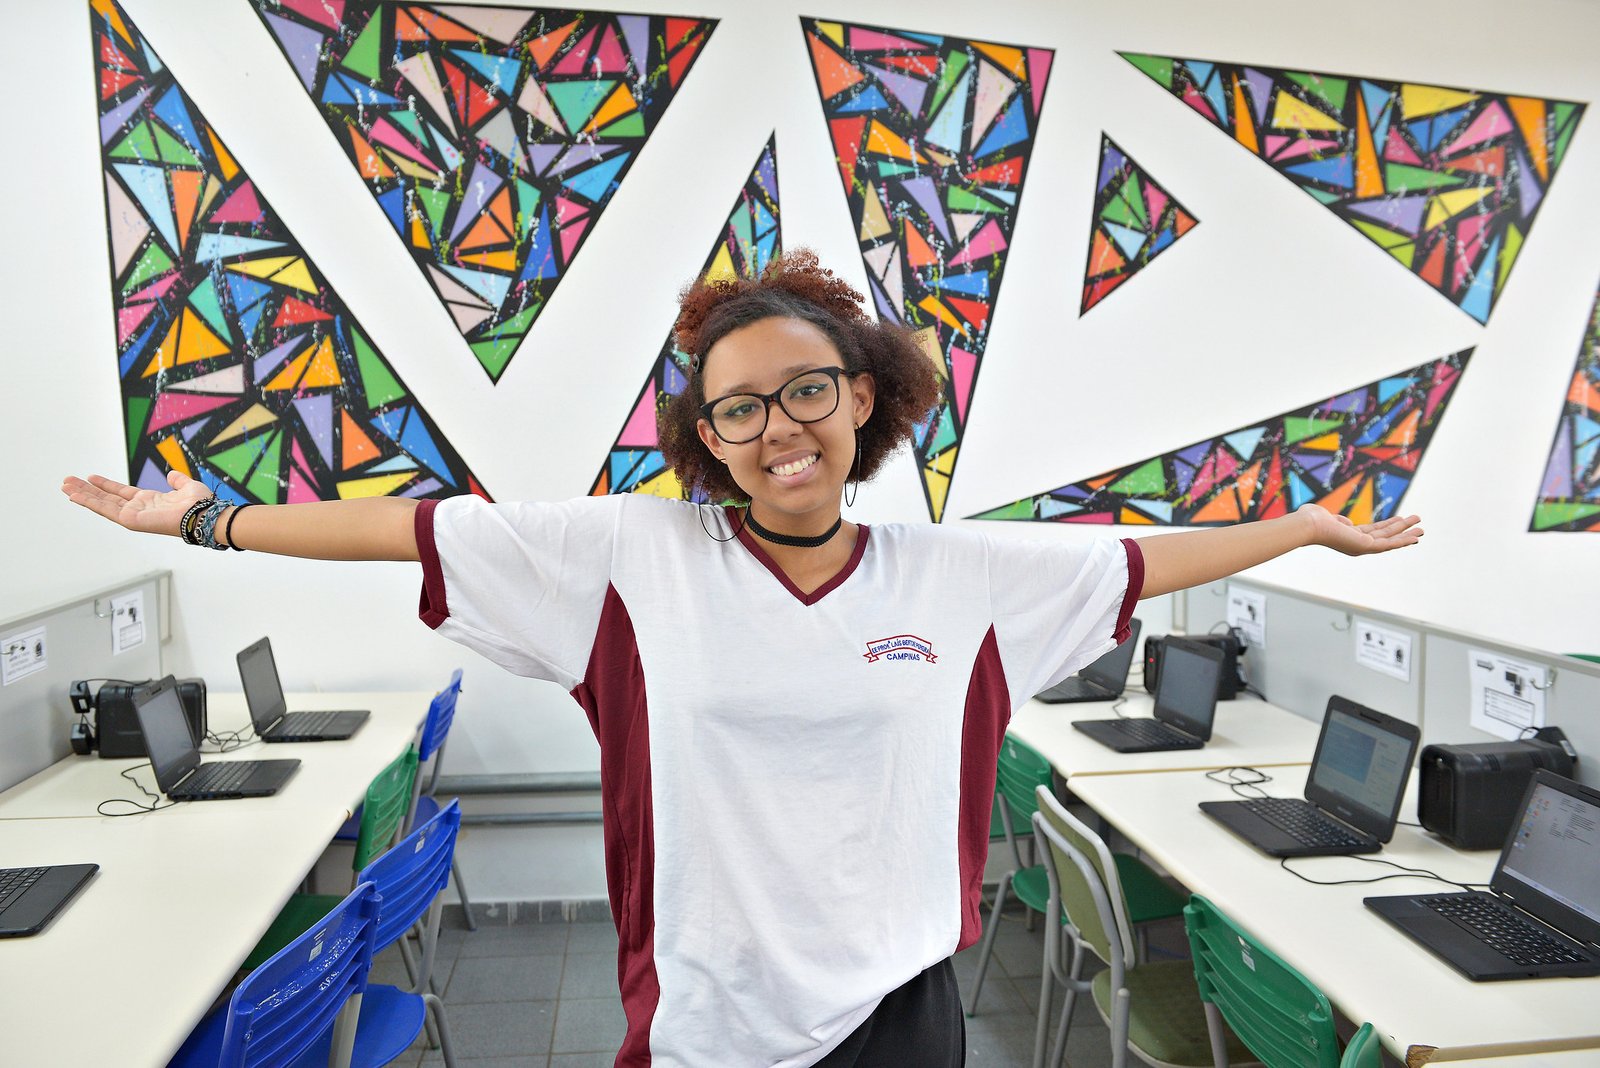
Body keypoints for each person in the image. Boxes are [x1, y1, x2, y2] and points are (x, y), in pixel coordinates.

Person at [63, 249, 1422, 1067]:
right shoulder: (629, 556)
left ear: (864, 398)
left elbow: (1141, 558)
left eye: (807, 390)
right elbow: (404, 529)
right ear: (705, 439)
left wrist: (1303, 528)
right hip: (706, 1017)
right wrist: (205, 520)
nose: (780, 427)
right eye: (739, 409)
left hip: (903, 1009)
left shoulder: (957, 577)